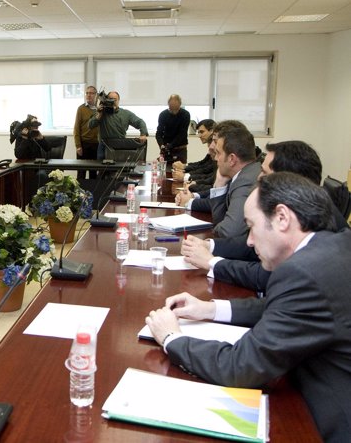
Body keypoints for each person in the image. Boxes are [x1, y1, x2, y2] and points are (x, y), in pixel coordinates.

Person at [145, 172, 351, 442]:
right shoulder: (334, 246)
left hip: (325, 422)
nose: (250, 241)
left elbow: (242, 367)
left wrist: (172, 338)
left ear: (282, 217)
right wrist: (211, 309)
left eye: (252, 227)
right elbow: (282, 309)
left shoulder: (304, 273)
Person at [182, 140, 350, 294]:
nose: (258, 177)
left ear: (287, 178)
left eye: (264, 172)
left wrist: (212, 262)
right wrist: (209, 245)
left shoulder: (319, 224)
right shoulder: (301, 208)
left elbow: (267, 276)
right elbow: (249, 245)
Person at [176, 121, 260, 238]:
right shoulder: (240, 173)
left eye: (218, 153)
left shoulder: (245, 181)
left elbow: (228, 231)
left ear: (232, 159)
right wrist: (220, 185)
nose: (215, 157)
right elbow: (221, 221)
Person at [88, 91, 148, 161]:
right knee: (102, 170)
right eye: (110, 99)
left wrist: (143, 134)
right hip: (104, 146)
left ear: (118, 101)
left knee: (119, 169)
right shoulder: (101, 112)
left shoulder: (125, 114)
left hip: (120, 146)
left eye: (115, 99)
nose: (112, 101)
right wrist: (99, 114)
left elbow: (140, 122)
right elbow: (90, 125)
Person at [73, 86, 99, 180]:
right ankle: (79, 193)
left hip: (96, 145)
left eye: (91, 93)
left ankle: (92, 193)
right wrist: (78, 145)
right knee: (81, 172)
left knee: (93, 173)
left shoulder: (100, 109)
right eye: (87, 93)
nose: (89, 95)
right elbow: (76, 128)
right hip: (84, 144)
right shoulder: (81, 109)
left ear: (96, 95)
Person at [155, 94, 190, 163]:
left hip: (180, 149)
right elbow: (159, 133)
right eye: (171, 109)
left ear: (180, 105)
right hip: (166, 149)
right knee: (164, 171)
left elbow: (182, 133)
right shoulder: (163, 115)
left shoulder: (185, 114)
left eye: (176, 109)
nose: (174, 112)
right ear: (168, 105)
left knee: (179, 171)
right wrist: (161, 145)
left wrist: (170, 146)